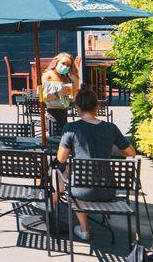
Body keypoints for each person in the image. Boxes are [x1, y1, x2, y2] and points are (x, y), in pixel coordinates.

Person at [56, 85, 136, 241]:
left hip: (81, 192)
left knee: (65, 174)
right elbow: (131, 153)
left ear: (77, 107)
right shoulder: (110, 128)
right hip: (108, 190)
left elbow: (61, 159)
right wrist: (110, 147)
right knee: (80, 177)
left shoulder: (71, 128)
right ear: (97, 106)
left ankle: (84, 229)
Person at [42, 52, 79, 136]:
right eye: (63, 63)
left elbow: (73, 98)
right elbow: (43, 97)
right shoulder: (47, 76)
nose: (65, 66)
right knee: (55, 139)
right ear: (56, 62)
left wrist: (76, 81)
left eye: (68, 65)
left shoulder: (66, 77)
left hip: (64, 112)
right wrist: (58, 93)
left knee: (64, 138)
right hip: (52, 113)